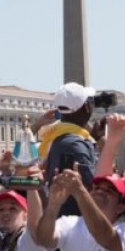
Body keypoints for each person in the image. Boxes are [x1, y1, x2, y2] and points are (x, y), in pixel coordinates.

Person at [41, 82, 98, 216]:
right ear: (86, 107)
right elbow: (93, 187)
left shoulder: (55, 135)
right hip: (78, 221)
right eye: (90, 101)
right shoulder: (73, 144)